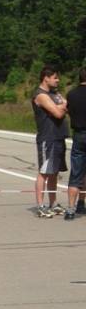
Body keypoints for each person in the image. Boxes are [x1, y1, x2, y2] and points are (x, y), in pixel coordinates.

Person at [32, 66, 68, 218]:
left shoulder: (55, 93)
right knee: (44, 172)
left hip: (59, 136)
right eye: (55, 77)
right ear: (46, 78)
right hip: (47, 137)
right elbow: (58, 113)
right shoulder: (40, 95)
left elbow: (65, 104)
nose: (57, 80)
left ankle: (53, 203)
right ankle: (40, 205)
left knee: (54, 172)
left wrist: (61, 106)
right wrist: (61, 106)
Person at [64, 67, 86, 220]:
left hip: (78, 134)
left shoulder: (71, 94)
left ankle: (71, 209)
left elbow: (68, 111)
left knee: (77, 172)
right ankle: (81, 203)